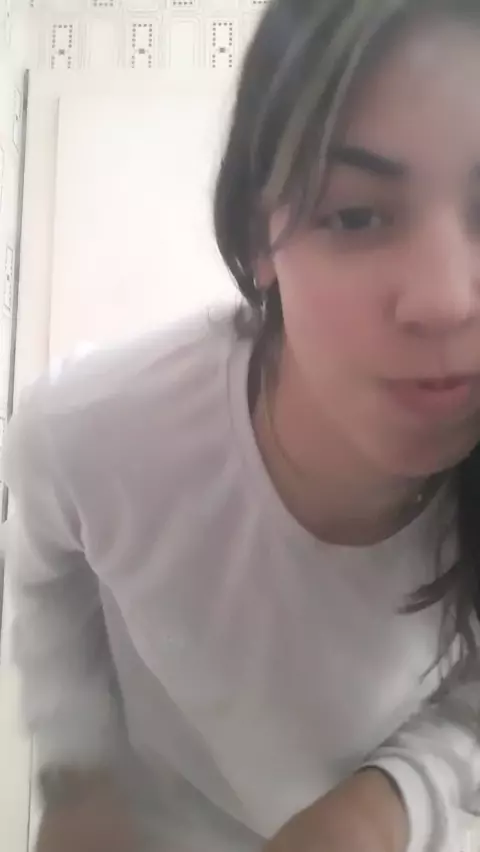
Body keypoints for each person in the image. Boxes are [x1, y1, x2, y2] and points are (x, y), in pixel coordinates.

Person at [5, 0, 480, 849]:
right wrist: (77, 771)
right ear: (261, 238)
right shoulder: (89, 432)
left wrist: (394, 798)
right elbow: (47, 584)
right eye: (357, 215)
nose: (445, 300)